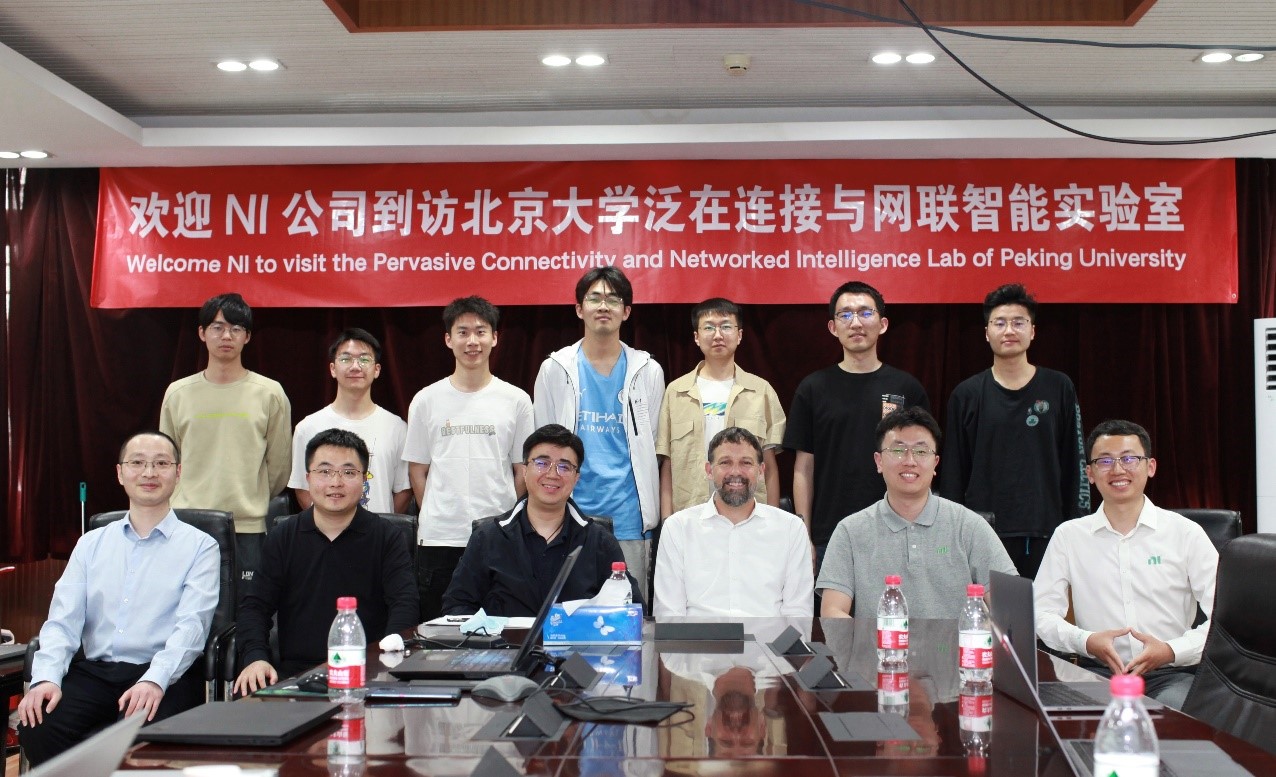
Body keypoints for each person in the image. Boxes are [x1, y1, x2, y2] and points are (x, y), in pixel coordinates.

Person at [17, 432, 219, 766]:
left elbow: (192, 627)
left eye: (161, 463)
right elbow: (62, 622)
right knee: (39, 724)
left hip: (165, 675)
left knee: (144, 739)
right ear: (120, 472)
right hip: (96, 673)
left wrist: (154, 679)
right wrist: (46, 678)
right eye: (137, 462)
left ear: (178, 472)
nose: (149, 472)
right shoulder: (90, 544)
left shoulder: (200, 546)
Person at [1034, 420, 1218, 709]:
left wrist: (1170, 650)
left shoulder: (1186, 533)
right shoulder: (1068, 536)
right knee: (1052, 720)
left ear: (1150, 466)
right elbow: (1041, 613)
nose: (1118, 469)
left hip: (1170, 674)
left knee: (1174, 721)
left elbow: (1223, 619)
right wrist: (1085, 641)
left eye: (1129, 458)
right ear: (1090, 473)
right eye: (1105, 461)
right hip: (1095, 673)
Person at [233, 428, 418, 691]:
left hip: (369, 673)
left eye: (348, 472)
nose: (335, 482)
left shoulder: (387, 537)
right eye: (325, 471)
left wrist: (386, 664)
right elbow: (255, 607)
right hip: (296, 676)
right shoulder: (283, 536)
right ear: (308, 478)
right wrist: (255, 658)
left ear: (364, 479)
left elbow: (404, 605)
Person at [939, 283, 1089, 578]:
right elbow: (953, 474)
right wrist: (951, 535)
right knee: (992, 610)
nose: (1009, 330)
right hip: (984, 532)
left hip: (1047, 532)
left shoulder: (1059, 387)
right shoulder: (966, 395)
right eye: (1000, 323)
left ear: (1033, 331)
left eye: (1019, 322)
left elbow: (1076, 463)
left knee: (1044, 609)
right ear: (987, 333)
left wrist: (1079, 525)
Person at [533, 267, 664, 597]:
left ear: (626, 311)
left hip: (630, 518)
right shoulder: (555, 369)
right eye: (594, 298)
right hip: (567, 515)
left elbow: (652, 445)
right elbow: (542, 445)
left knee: (628, 612)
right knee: (566, 612)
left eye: (613, 299)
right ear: (579, 309)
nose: (603, 306)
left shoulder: (647, 370)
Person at [403, 296, 534, 620]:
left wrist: (503, 515)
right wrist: (438, 511)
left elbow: (523, 470)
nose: (472, 340)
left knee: (501, 632)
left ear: (495, 338)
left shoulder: (517, 400)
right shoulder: (426, 400)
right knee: (438, 633)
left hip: (499, 536)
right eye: (462, 332)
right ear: (448, 339)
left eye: (480, 331)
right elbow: (417, 471)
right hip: (439, 539)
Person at [818, 407, 1017, 619]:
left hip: (956, 642)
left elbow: (1011, 607)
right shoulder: (850, 531)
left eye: (921, 452)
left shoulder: (969, 526)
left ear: (935, 463)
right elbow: (832, 611)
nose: (910, 461)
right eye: (898, 450)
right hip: (879, 641)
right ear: (879, 461)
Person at [784, 281, 929, 565]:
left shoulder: (907, 388)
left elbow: (922, 461)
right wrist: (804, 534)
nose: (856, 323)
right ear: (833, 327)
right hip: (829, 535)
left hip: (897, 529)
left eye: (865, 313)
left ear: (883, 324)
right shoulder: (812, 389)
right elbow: (803, 467)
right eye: (846, 314)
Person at [159, 292, 291, 592]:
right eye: (217, 327)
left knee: (247, 610)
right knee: (185, 608)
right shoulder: (178, 393)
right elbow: (166, 461)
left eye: (236, 328)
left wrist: (251, 495)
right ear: (202, 333)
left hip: (247, 529)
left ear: (247, 337)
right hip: (187, 523)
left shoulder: (270, 393)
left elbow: (280, 466)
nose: (226, 336)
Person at [441, 424, 640, 616]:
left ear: (576, 478)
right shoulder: (488, 538)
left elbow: (632, 608)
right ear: (524, 470)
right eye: (542, 463)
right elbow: (457, 607)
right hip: (505, 640)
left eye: (564, 466)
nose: (552, 474)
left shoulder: (599, 541)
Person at [654, 427, 812, 618]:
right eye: (725, 462)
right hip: (699, 636)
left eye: (746, 463)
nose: (735, 472)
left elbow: (798, 613)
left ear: (761, 471)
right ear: (709, 470)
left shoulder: (791, 529)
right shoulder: (678, 528)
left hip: (769, 637)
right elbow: (669, 614)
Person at [657, 298, 786, 518]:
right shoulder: (676, 392)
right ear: (696, 337)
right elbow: (669, 465)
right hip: (691, 517)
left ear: (740, 335)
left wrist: (773, 521)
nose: (718, 335)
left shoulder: (761, 391)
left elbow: (770, 466)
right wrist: (667, 522)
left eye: (726, 326)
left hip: (749, 516)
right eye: (708, 327)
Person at [289, 328, 410, 515]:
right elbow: (303, 488)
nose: (355, 366)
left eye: (364, 359)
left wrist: (380, 526)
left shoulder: (397, 428)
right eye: (346, 359)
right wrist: (330, 521)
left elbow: (403, 490)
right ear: (332, 369)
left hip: (378, 531)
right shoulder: (308, 427)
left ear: (377, 370)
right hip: (325, 530)